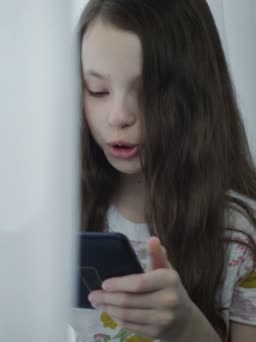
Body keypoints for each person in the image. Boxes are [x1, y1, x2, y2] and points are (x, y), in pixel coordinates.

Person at [73, 0, 256, 341]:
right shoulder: (63, 215)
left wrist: (186, 326)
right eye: (97, 90)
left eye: (147, 92)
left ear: (195, 95)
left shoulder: (242, 238)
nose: (118, 116)